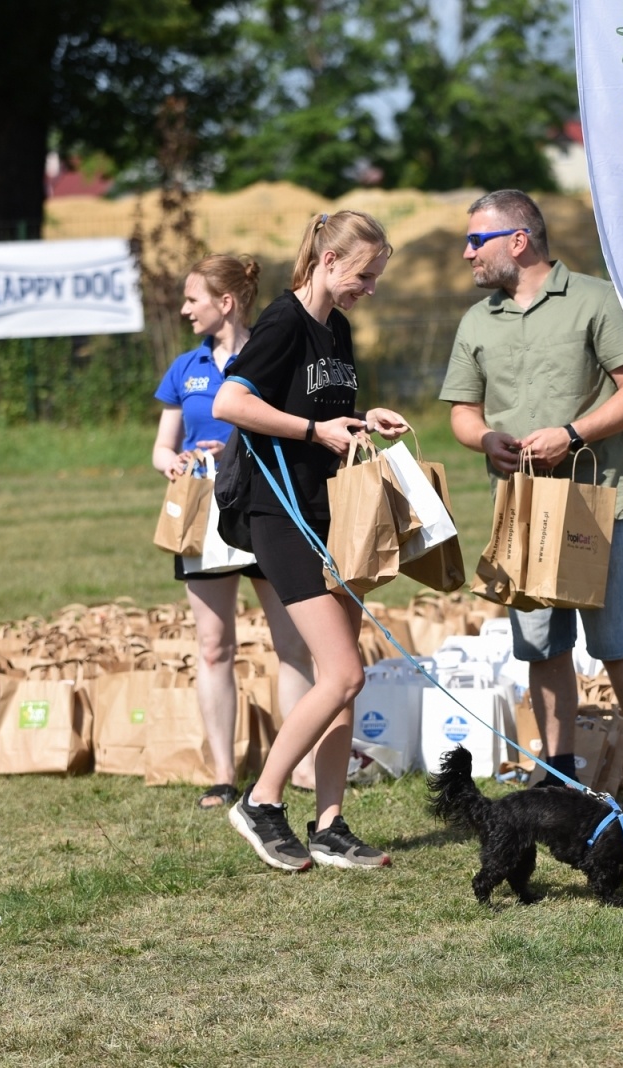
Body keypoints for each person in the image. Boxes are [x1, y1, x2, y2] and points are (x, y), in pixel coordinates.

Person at [438, 190, 623, 812]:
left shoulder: (595, 300)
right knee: (542, 646)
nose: (467, 253)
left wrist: (572, 435)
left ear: (518, 241)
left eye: (476, 241)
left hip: (596, 502)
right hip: (521, 510)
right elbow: (463, 413)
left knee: (616, 641)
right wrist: (485, 439)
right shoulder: (477, 321)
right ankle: (557, 770)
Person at [212, 210, 410, 871]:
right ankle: (261, 801)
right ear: (328, 262)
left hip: (331, 511)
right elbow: (231, 404)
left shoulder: (337, 328)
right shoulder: (281, 320)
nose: (369, 289)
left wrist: (360, 420)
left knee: (340, 675)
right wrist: (310, 432)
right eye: (364, 275)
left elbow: (324, 413)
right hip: (280, 515)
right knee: (346, 672)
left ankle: (329, 825)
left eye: (376, 277)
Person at [152, 255, 314, 809]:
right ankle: (224, 775)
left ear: (225, 302)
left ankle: (298, 768)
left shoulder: (266, 352)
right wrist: (174, 461)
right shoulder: (185, 367)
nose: (184, 309)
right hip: (203, 513)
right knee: (214, 646)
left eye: (192, 299)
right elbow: (160, 447)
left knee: (292, 645)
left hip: (264, 508)